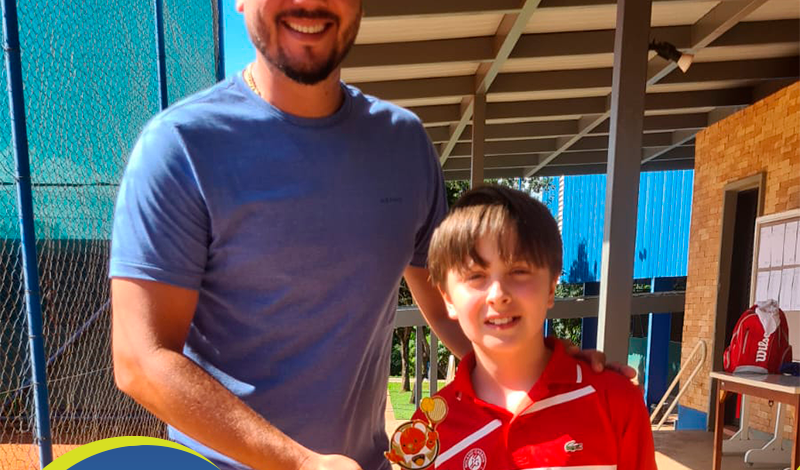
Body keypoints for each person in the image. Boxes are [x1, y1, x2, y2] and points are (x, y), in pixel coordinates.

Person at [109, 1, 630, 469]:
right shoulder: (181, 147)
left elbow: (453, 302)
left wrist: (543, 365)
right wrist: (300, 463)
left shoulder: (402, 143)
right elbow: (140, 359)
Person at [401, 185, 656, 470]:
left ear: (551, 287)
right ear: (448, 299)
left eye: (519, 271)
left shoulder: (615, 401)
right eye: (476, 276)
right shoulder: (427, 432)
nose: (498, 294)